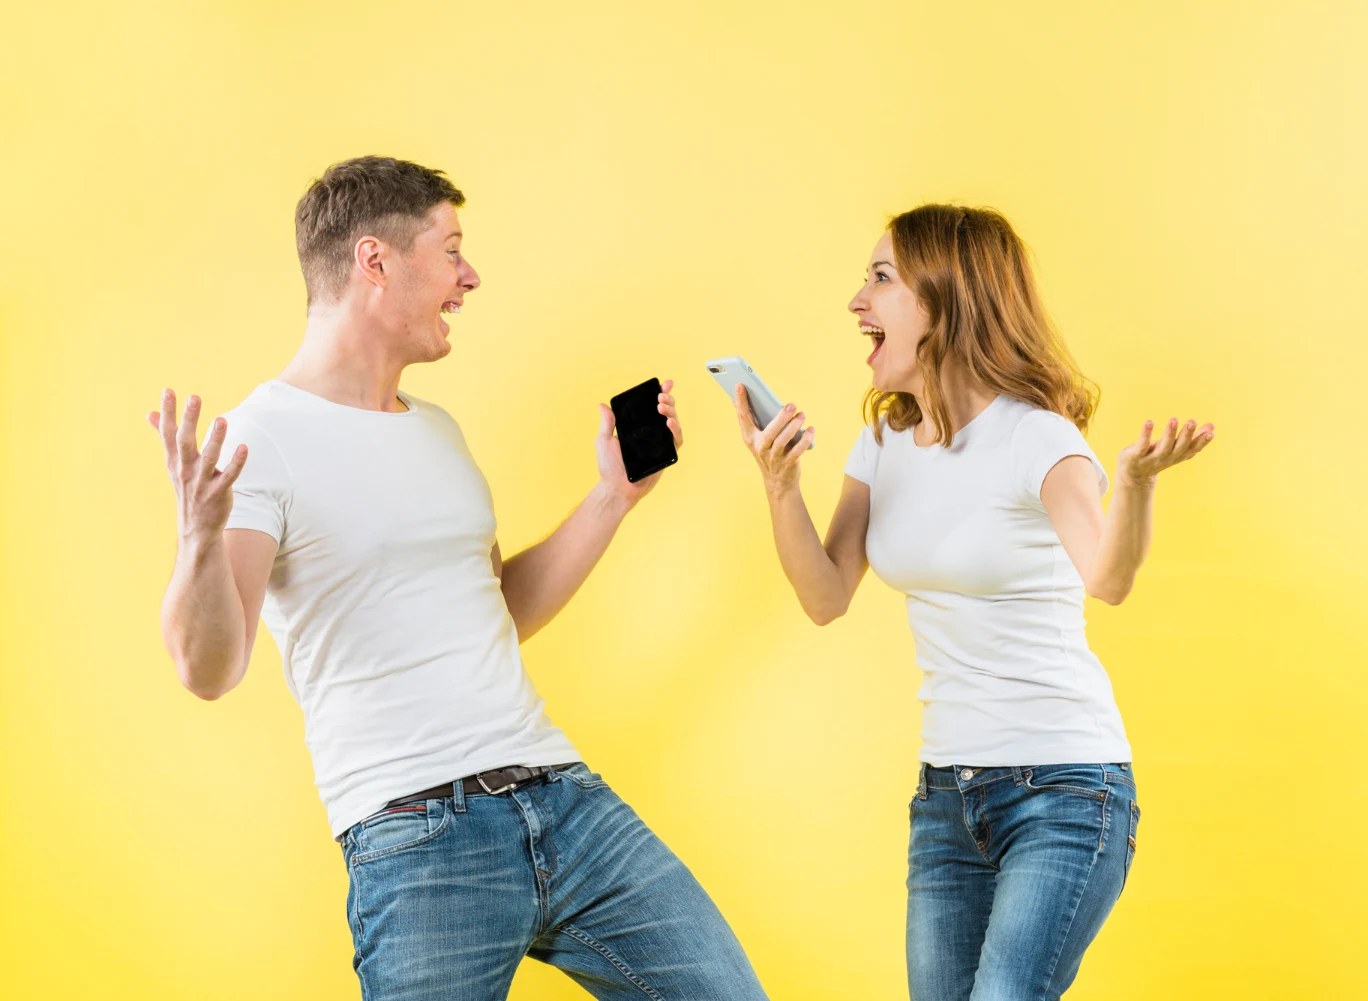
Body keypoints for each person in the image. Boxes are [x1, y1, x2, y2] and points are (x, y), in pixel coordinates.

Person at [147, 155, 766, 1000]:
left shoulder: (437, 429)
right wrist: (199, 537)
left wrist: (610, 500)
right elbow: (209, 669)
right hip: (418, 838)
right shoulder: (261, 440)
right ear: (375, 261)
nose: (469, 277)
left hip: (564, 800)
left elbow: (494, 611)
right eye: (451, 250)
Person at [727, 204, 1214, 1001]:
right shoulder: (883, 444)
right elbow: (823, 595)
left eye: (881, 279)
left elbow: (1109, 577)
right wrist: (780, 487)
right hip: (946, 799)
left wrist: (1132, 485)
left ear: (946, 301)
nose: (857, 301)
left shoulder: (1040, 439)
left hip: (1063, 789)